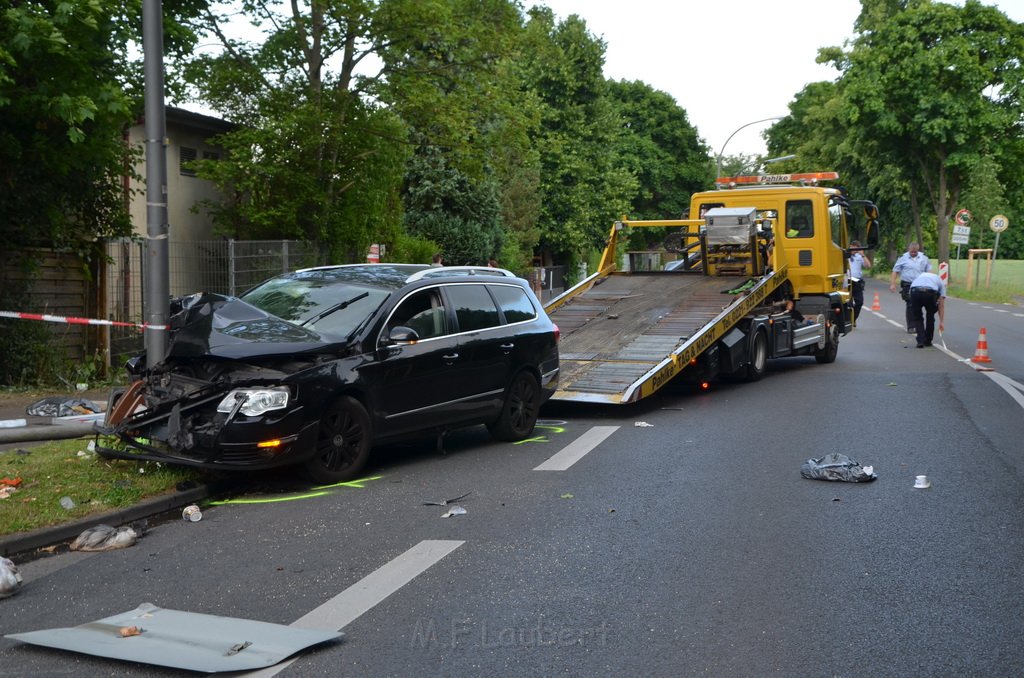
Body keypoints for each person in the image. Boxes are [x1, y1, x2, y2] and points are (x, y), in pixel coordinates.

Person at [889, 242, 931, 333]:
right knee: (910, 304)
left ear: (918, 250)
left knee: (919, 305)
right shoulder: (903, 258)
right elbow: (895, 271)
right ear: (909, 250)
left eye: (914, 252)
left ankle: (918, 325)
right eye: (911, 252)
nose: (913, 254)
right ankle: (911, 326)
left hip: (920, 284)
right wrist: (893, 284)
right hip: (907, 284)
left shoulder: (924, 258)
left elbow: (929, 271)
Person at [908, 270, 945, 348]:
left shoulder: (918, 276)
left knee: (917, 317)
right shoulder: (939, 279)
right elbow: (941, 305)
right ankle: (928, 341)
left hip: (915, 292)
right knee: (930, 316)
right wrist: (941, 322)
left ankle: (920, 341)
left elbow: (910, 292)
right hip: (930, 293)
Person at [848, 241, 872, 320]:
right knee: (848, 303)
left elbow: (868, 265)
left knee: (859, 302)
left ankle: (853, 318)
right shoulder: (845, 255)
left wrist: (863, 255)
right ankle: (849, 319)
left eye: (856, 248)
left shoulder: (859, 257)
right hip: (847, 281)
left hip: (857, 282)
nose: (854, 250)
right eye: (853, 247)